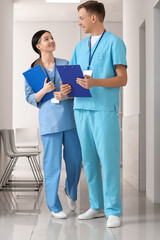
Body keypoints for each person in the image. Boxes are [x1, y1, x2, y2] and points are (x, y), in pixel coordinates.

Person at [61, 1, 127, 227]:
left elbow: (122, 79)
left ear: (93, 18)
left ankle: (113, 210)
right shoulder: (79, 47)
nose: (78, 22)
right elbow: (74, 78)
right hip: (81, 108)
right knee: (88, 160)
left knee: (108, 161)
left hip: (104, 110)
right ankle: (97, 206)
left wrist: (95, 82)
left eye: (81, 17)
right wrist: (67, 88)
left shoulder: (115, 43)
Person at [25, 30, 82, 219]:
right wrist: (43, 90)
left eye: (52, 38)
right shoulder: (33, 72)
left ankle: (70, 190)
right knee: (52, 165)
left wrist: (68, 92)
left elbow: (79, 91)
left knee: (74, 161)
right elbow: (30, 98)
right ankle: (54, 206)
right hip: (49, 122)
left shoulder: (66, 64)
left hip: (70, 120)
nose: (51, 41)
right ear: (38, 46)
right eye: (46, 39)